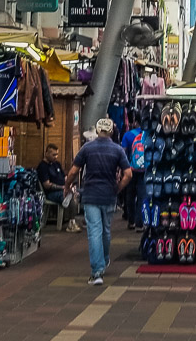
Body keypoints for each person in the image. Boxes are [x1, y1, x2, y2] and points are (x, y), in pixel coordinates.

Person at [64, 118, 132, 285]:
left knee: (94, 231)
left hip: (91, 195)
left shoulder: (87, 148)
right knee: (106, 230)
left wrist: (67, 185)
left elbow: (73, 171)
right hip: (109, 195)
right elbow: (128, 174)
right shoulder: (117, 150)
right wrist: (118, 188)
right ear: (110, 132)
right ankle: (105, 259)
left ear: (97, 131)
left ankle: (97, 272)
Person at [36, 144, 81, 233]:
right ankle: (71, 223)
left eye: (57, 154)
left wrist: (69, 183)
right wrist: (63, 187)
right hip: (51, 193)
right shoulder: (42, 167)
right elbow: (47, 185)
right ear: (46, 153)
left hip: (64, 188)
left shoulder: (56, 164)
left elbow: (64, 177)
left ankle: (68, 199)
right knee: (70, 196)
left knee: (78, 193)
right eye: (53, 155)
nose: (55, 157)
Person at [120, 111, 146, 230]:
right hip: (144, 170)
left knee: (130, 195)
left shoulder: (128, 135)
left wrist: (122, 169)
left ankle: (131, 221)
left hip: (130, 169)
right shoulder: (148, 135)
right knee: (141, 196)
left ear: (135, 122)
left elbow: (123, 153)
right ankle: (140, 223)